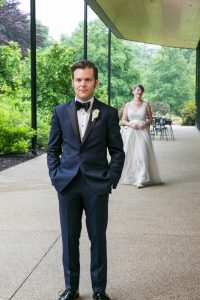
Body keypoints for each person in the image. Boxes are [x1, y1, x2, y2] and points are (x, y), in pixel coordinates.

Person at [47, 60, 125, 300]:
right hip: (67, 185)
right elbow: (52, 150)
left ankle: (99, 290)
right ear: (73, 82)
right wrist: (55, 176)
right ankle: (71, 289)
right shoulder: (60, 112)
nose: (83, 84)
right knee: (69, 239)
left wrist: (110, 178)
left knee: (98, 239)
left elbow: (118, 151)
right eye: (79, 79)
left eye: (88, 79)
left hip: (96, 186)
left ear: (95, 82)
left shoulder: (109, 113)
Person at [120, 84, 161, 188]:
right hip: (131, 131)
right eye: (137, 90)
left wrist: (144, 123)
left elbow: (151, 119)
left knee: (142, 154)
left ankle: (141, 178)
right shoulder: (128, 105)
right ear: (133, 91)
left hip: (142, 131)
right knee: (131, 154)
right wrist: (131, 124)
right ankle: (132, 177)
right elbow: (123, 120)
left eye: (141, 91)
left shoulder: (146, 104)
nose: (139, 92)